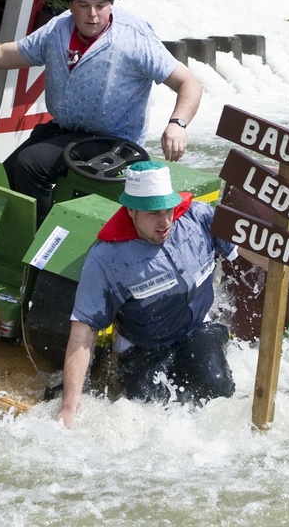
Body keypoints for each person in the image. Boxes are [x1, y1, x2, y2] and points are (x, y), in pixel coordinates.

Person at [0, 0, 202, 221]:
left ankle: (40, 252)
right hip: (66, 132)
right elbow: (0, 55)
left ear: (111, 5)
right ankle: (6, 245)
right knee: (3, 175)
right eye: (83, 5)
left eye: (101, 5)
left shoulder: (134, 37)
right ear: (70, 5)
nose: (93, 14)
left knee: (32, 163)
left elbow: (189, 83)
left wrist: (178, 124)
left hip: (115, 141)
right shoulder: (57, 29)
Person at [56, 161, 238, 427]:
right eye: (153, 214)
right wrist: (69, 407)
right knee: (152, 415)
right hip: (143, 348)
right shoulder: (106, 258)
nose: (165, 222)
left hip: (197, 329)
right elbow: (83, 332)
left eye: (168, 210)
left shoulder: (198, 218)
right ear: (131, 211)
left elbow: (246, 249)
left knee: (218, 390)